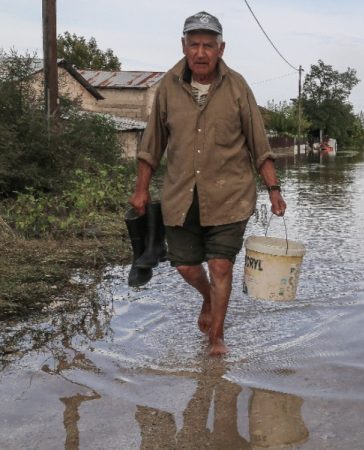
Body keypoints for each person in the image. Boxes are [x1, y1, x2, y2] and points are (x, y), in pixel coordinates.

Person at [130, 11, 286, 356]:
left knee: (220, 265)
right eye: (195, 44)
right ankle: (207, 297)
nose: (201, 52)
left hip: (230, 194)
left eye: (209, 46)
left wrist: (274, 189)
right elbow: (151, 144)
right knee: (185, 264)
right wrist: (141, 190)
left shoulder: (237, 87)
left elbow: (260, 144)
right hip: (180, 195)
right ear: (184, 46)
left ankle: (216, 338)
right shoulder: (168, 88)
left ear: (221, 49)